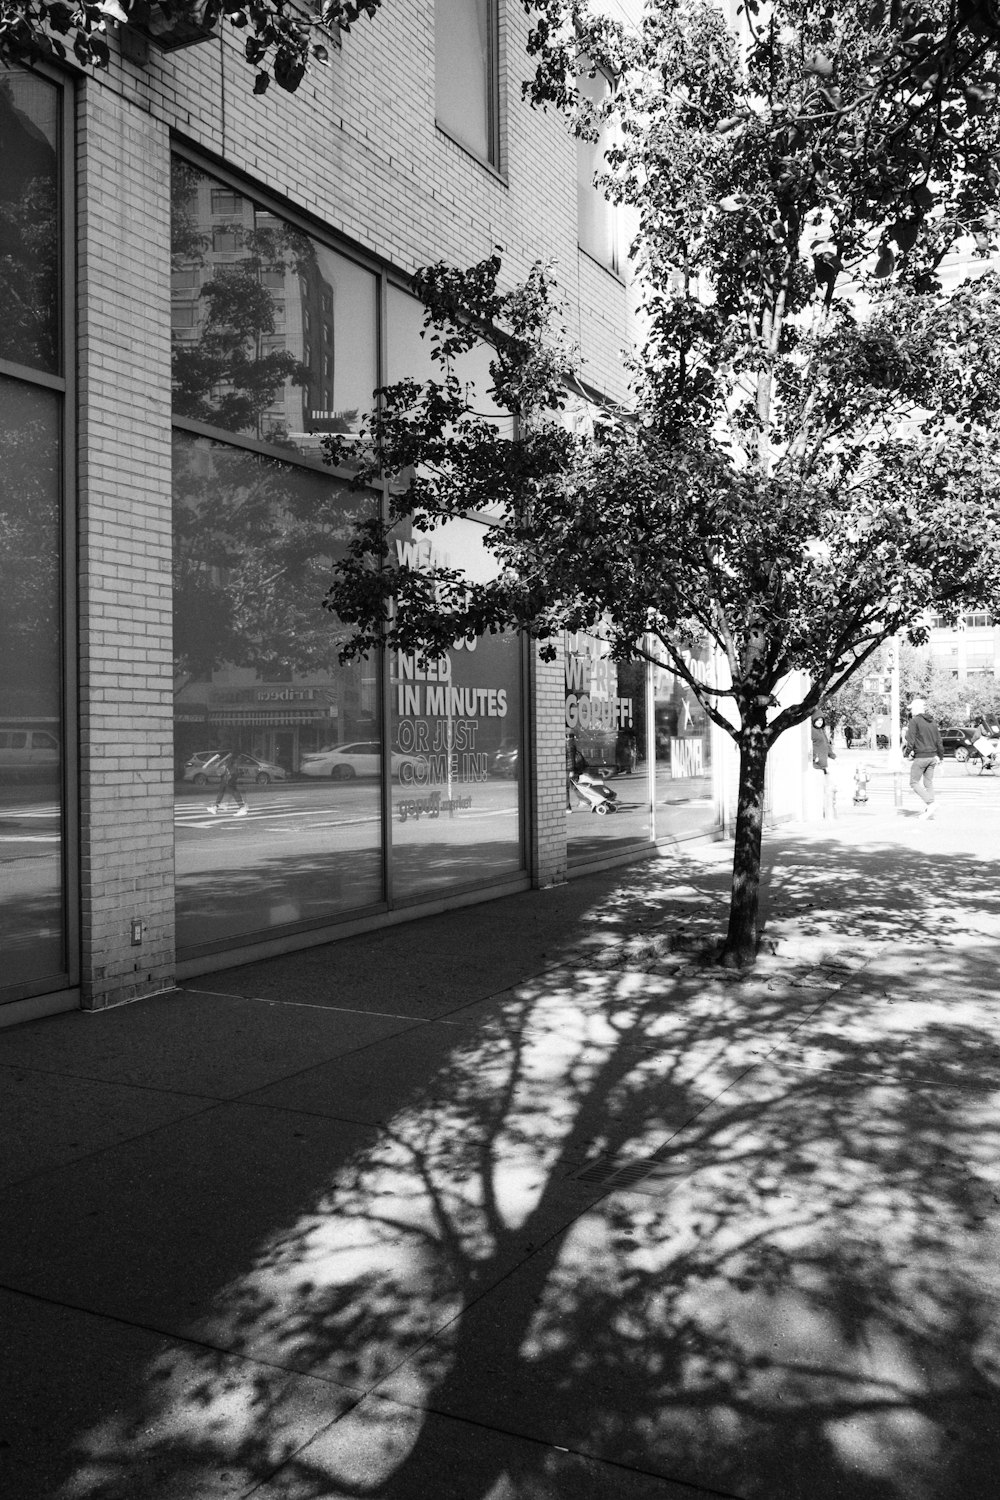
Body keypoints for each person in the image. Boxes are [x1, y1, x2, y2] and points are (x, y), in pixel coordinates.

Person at [904, 698, 945, 819]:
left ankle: (931, 803)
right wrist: (941, 757)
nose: (911, 711)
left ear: (916, 709)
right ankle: (929, 810)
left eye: (911, 709)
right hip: (933, 757)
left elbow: (910, 741)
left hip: (921, 757)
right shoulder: (932, 722)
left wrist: (906, 755)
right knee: (928, 783)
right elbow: (939, 741)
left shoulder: (914, 721)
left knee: (914, 782)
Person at [810, 715, 838, 818]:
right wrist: (814, 757)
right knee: (819, 789)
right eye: (817, 720)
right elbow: (810, 745)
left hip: (823, 765)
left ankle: (825, 812)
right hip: (816, 765)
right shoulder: (812, 731)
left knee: (826, 789)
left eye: (821, 720)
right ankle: (819, 813)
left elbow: (826, 745)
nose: (819, 722)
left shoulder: (821, 731)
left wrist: (833, 756)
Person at [210, 750, 248, 817]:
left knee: (233, 790)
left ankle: (242, 808)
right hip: (230, 773)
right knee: (224, 788)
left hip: (231, 773)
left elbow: (228, 758)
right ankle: (215, 807)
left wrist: (218, 763)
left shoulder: (228, 754)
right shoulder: (229, 755)